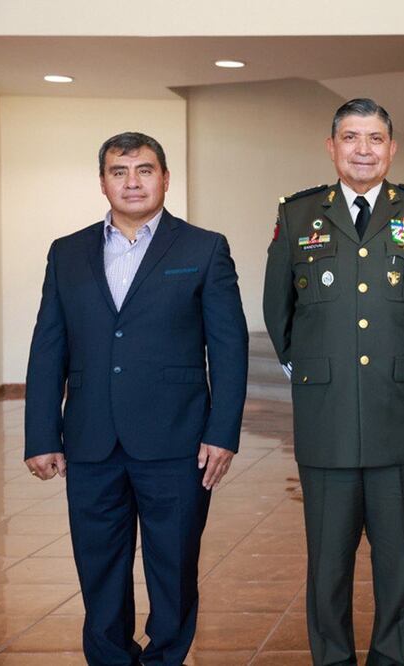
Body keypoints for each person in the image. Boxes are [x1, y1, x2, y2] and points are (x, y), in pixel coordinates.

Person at [24, 131, 249, 664]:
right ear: (102, 181)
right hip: (90, 439)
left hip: (178, 439)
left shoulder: (204, 247)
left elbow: (230, 346)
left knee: (172, 567)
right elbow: (47, 346)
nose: (132, 182)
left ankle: (166, 657)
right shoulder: (67, 252)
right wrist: (40, 433)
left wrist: (223, 431)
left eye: (144, 170)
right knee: (98, 565)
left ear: (165, 179)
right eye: (119, 171)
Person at [262, 98, 404, 666]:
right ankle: (331, 658)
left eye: (375, 139)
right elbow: (279, 310)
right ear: (331, 148)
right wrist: (310, 370)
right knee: (327, 559)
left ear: (392, 149)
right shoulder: (299, 213)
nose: (363, 150)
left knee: (399, 559)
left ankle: (389, 658)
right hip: (325, 416)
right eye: (351, 138)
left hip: (400, 413)